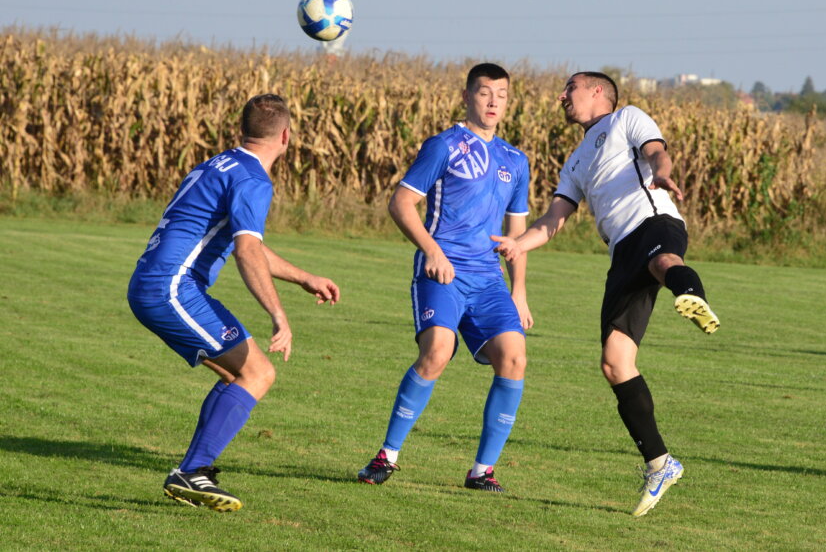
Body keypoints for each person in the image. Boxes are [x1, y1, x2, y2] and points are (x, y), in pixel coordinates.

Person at [491, 71, 719, 517]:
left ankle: (692, 294)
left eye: (569, 89)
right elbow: (555, 218)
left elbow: (656, 151)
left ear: (597, 91)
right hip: (621, 252)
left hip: (653, 222)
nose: (562, 97)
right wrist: (519, 243)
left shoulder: (627, 118)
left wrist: (663, 175)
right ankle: (660, 463)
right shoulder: (575, 161)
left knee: (661, 263)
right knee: (615, 363)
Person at [127, 94, 340, 511]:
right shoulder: (253, 179)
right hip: (171, 288)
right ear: (286, 135)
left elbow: (250, 246)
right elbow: (246, 252)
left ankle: (194, 472)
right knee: (258, 372)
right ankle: (191, 471)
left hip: (157, 284)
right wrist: (279, 315)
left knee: (239, 374)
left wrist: (304, 278)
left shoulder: (221, 163)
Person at [356, 63, 532, 493]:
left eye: (502, 95)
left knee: (514, 358)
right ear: (467, 96)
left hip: (488, 279)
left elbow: (516, 236)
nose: (493, 102)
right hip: (443, 270)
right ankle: (387, 456)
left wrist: (520, 291)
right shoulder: (444, 145)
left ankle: (481, 472)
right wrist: (432, 251)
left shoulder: (516, 160)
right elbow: (401, 204)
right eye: (485, 92)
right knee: (437, 350)